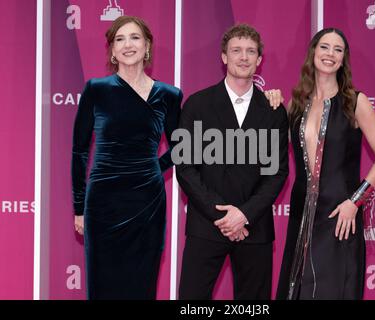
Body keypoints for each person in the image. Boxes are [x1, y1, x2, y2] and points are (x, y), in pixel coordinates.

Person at [276, 28, 375, 300]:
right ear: (313, 53)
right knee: (296, 289)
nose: (330, 54)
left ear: (343, 59)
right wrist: (270, 101)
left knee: (334, 290)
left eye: (337, 49)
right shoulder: (297, 103)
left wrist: (354, 202)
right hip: (301, 215)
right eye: (324, 47)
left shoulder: (356, 102)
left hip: (340, 215)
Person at [71, 15, 183, 299]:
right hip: (103, 203)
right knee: (102, 286)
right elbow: (79, 151)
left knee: (141, 286)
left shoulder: (169, 95)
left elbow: (184, 146)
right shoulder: (96, 89)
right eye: (119, 39)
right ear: (112, 50)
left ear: (147, 46)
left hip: (147, 203)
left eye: (134, 37)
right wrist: (79, 207)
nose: (127, 44)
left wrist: (152, 168)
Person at [176, 24, 289, 300]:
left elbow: (277, 173)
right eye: (236, 50)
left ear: (259, 60)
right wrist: (223, 217)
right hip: (206, 225)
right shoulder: (197, 104)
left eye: (251, 51)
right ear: (224, 57)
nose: (243, 57)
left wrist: (244, 214)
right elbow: (185, 168)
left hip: (255, 227)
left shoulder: (273, 111)